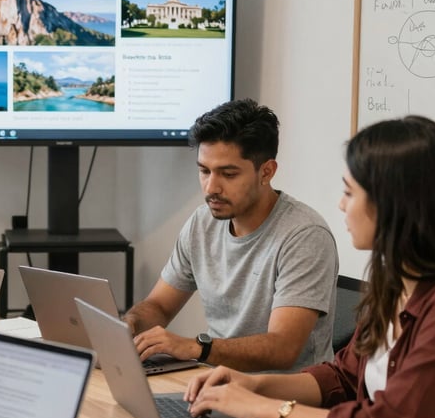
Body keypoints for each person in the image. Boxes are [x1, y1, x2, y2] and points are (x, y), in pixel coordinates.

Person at [186, 115, 435, 418]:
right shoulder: (391, 285)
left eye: (350, 192)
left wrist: (263, 409)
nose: (341, 205)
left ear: (394, 204)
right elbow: (344, 378)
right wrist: (251, 385)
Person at [123, 99, 338, 372]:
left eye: (228, 174)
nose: (211, 187)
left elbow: (283, 348)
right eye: (204, 171)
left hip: (286, 400)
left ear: (267, 172)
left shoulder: (305, 235)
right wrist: (129, 324)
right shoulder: (202, 223)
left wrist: (197, 348)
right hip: (219, 387)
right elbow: (159, 306)